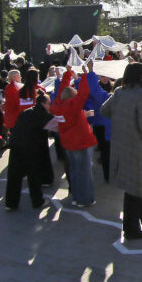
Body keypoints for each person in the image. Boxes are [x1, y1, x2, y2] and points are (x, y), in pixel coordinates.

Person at [102, 62, 142, 239]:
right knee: (135, 187)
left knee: (138, 183)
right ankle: (131, 228)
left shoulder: (119, 91)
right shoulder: (141, 95)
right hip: (138, 145)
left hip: (121, 144)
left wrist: (122, 120)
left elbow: (104, 110)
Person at [51, 68, 97, 207]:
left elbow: (60, 93)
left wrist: (66, 75)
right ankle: (86, 199)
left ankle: (76, 197)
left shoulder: (57, 106)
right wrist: (85, 74)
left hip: (68, 142)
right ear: (72, 96)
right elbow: (83, 94)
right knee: (85, 172)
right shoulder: (72, 105)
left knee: (74, 171)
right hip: (81, 142)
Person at [4, 92, 53, 211]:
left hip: (16, 145)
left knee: (14, 176)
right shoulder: (43, 115)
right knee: (33, 175)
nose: (50, 106)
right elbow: (55, 127)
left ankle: (10, 203)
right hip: (30, 148)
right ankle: (37, 201)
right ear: (43, 103)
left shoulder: (26, 112)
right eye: (49, 103)